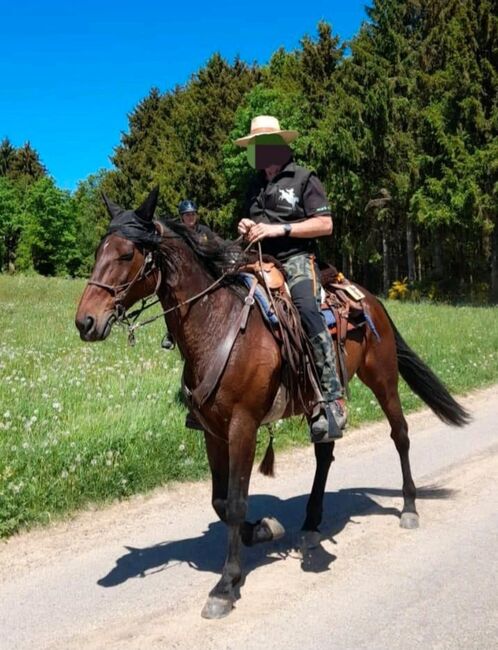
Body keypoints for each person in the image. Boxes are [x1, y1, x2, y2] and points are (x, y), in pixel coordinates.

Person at [235, 115, 346, 441]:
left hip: (295, 258)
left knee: (308, 310)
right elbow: (249, 222)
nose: (258, 151)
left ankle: (331, 398)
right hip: (256, 259)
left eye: (263, 144)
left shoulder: (303, 178)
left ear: (279, 145)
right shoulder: (254, 185)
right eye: (254, 146)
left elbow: (325, 225)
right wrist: (244, 226)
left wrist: (279, 229)